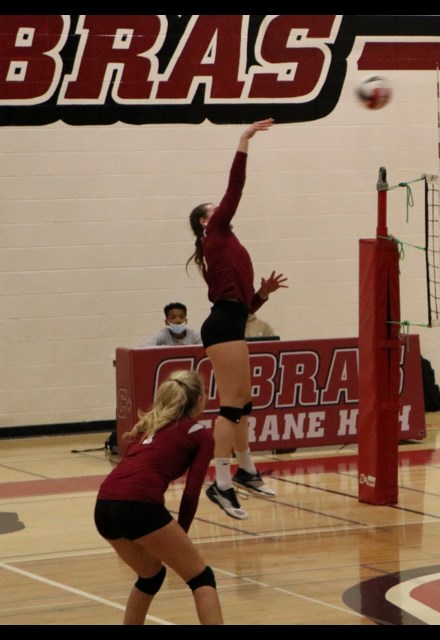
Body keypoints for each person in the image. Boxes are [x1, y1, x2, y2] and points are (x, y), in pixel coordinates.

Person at [187, 118, 288, 519]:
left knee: (243, 403)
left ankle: (246, 471)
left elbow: (241, 304)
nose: (221, 207)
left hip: (232, 320)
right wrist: (244, 140)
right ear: (204, 221)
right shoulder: (217, 232)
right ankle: (221, 483)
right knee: (230, 406)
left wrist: (261, 294)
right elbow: (236, 187)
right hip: (222, 325)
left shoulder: (225, 242)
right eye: (213, 209)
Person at [94, 369, 222, 625]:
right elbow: (192, 493)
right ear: (198, 399)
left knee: (150, 575)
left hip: (104, 506)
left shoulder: (150, 427)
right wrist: (181, 533)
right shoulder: (200, 434)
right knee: (201, 578)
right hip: (139, 505)